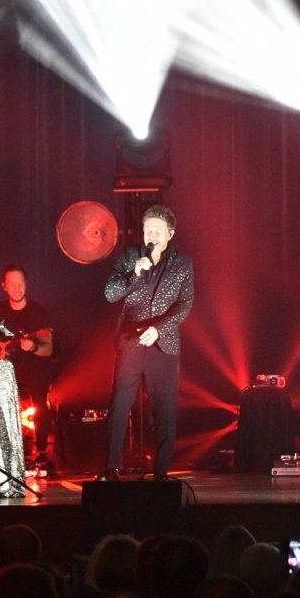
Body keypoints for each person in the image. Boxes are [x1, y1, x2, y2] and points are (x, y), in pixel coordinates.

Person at [98, 205, 194, 480]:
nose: (151, 235)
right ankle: (110, 468)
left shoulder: (183, 263)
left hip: (163, 343)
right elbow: (110, 294)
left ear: (170, 234)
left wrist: (159, 329)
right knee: (119, 402)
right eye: (147, 230)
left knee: (164, 408)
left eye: (157, 230)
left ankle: (161, 472)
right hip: (131, 339)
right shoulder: (131, 256)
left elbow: (185, 304)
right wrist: (134, 274)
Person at [0, 265, 55, 470]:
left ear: (27, 284)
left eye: (21, 284)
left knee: (40, 402)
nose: (17, 289)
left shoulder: (38, 312)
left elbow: (48, 348)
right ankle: (6, 451)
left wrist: (32, 346)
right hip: (7, 370)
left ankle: (41, 452)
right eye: (12, 284)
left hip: (35, 369)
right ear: (3, 286)